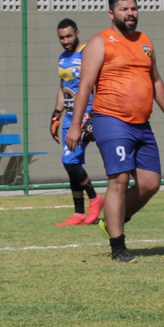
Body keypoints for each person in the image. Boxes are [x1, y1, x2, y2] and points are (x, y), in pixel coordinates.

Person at [66, 0, 164, 262]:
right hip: (110, 120)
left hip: (142, 124)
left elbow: (156, 81)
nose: (130, 13)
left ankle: (114, 218)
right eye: (124, 9)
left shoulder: (145, 41)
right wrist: (75, 126)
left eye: (134, 8)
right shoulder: (100, 42)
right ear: (111, 13)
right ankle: (118, 247)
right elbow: (85, 87)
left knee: (151, 183)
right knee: (119, 179)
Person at [50, 17, 102, 227]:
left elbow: (97, 85)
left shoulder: (88, 53)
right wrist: (55, 114)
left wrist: (92, 115)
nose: (65, 40)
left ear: (77, 33)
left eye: (69, 36)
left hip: (85, 116)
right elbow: (63, 89)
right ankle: (79, 213)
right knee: (72, 164)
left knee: (69, 161)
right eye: (62, 37)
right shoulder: (63, 58)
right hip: (68, 117)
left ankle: (95, 198)